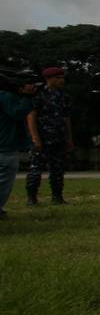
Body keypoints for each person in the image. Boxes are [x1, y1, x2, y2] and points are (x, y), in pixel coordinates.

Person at [25, 66, 72, 206]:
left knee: (58, 169)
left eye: (62, 77)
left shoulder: (63, 96)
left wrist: (69, 138)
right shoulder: (38, 95)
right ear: (48, 79)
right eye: (57, 78)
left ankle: (57, 197)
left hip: (58, 137)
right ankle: (31, 198)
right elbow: (31, 116)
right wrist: (35, 138)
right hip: (42, 137)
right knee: (35, 169)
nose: (61, 80)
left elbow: (66, 118)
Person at [0, 76, 37, 217]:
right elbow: (17, 113)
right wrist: (28, 97)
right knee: (4, 181)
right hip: (5, 146)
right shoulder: (6, 97)